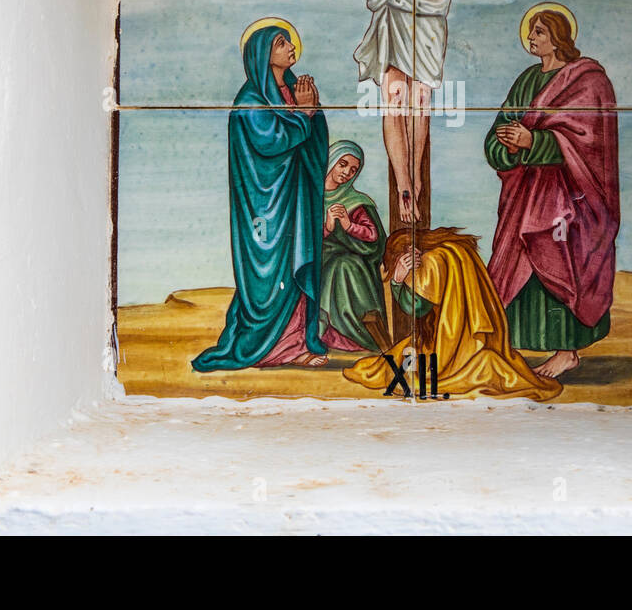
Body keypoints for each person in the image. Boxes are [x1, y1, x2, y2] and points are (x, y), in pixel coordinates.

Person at [272, 0, 555, 223]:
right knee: (393, 99)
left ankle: (416, 180)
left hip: (430, 15)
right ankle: (403, 183)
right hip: (391, 10)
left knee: (419, 101)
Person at [485, 5, 620, 379]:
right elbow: (500, 127)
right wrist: (507, 145)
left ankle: (567, 352)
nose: (532, 39)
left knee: (560, 262)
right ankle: (515, 349)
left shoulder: (588, 80)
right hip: (526, 196)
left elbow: (591, 141)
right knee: (518, 263)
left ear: (559, 36)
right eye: (530, 33)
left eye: (540, 32)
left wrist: (536, 141)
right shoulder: (527, 79)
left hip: (570, 199)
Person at [191, 20, 329, 371]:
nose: (290, 48)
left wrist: (310, 115)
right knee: (271, 274)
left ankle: (298, 342)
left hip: (296, 199)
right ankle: (272, 349)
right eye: (281, 43)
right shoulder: (250, 100)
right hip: (266, 207)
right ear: (263, 56)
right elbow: (270, 144)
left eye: (289, 42)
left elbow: (310, 137)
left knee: (298, 262)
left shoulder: (294, 90)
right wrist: (304, 115)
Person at [343, 227, 562, 401]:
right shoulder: (453, 250)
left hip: (453, 342)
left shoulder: (431, 261)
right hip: (477, 337)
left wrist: (398, 280)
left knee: (403, 371)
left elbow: (416, 307)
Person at [318, 140, 391, 353]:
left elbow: (374, 238)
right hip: (318, 260)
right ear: (331, 161)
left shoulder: (355, 201)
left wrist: (348, 226)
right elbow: (301, 236)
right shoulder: (310, 196)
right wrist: (328, 227)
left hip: (355, 264)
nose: (346, 173)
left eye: (353, 170)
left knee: (342, 266)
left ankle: (352, 336)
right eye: (343, 164)